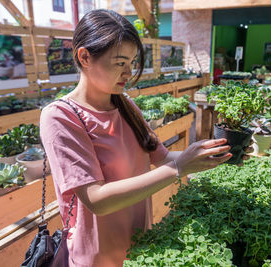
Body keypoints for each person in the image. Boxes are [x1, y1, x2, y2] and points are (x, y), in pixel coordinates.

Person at [40, 9, 251, 267]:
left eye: (131, 62)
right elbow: (95, 199)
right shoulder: (61, 116)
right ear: (84, 56)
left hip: (141, 248)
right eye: (120, 63)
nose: (128, 73)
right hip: (96, 258)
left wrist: (215, 153)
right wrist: (178, 168)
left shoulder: (126, 106)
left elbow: (162, 158)